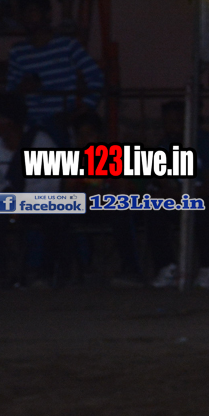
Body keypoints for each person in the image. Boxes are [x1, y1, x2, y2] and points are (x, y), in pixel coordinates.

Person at [6, 0, 104, 145]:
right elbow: (10, 91)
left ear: (48, 15)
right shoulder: (18, 51)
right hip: (30, 121)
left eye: (33, 11)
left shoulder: (67, 45)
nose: (28, 17)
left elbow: (96, 76)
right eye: (24, 13)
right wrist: (22, 88)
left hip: (60, 119)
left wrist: (82, 108)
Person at [146, 100, 209, 289]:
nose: (170, 127)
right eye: (166, 123)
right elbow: (162, 181)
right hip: (176, 199)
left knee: (204, 209)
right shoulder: (164, 146)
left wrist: (184, 195)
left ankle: (208, 267)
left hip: (200, 198)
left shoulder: (205, 142)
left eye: (175, 122)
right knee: (152, 209)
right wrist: (168, 193)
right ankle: (167, 267)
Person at [0, 95, 63, 288]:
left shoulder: (40, 141)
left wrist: (24, 199)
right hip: (8, 201)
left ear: (11, 121)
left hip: (40, 199)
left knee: (57, 216)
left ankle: (46, 273)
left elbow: (51, 182)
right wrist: (6, 192)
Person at [64, 111, 146, 287]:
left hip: (112, 208)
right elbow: (68, 192)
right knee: (62, 216)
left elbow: (126, 191)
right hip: (87, 209)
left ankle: (131, 270)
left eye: (90, 135)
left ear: (99, 136)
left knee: (122, 215)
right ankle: (81, 269)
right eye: (80, 135)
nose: (85, 140)